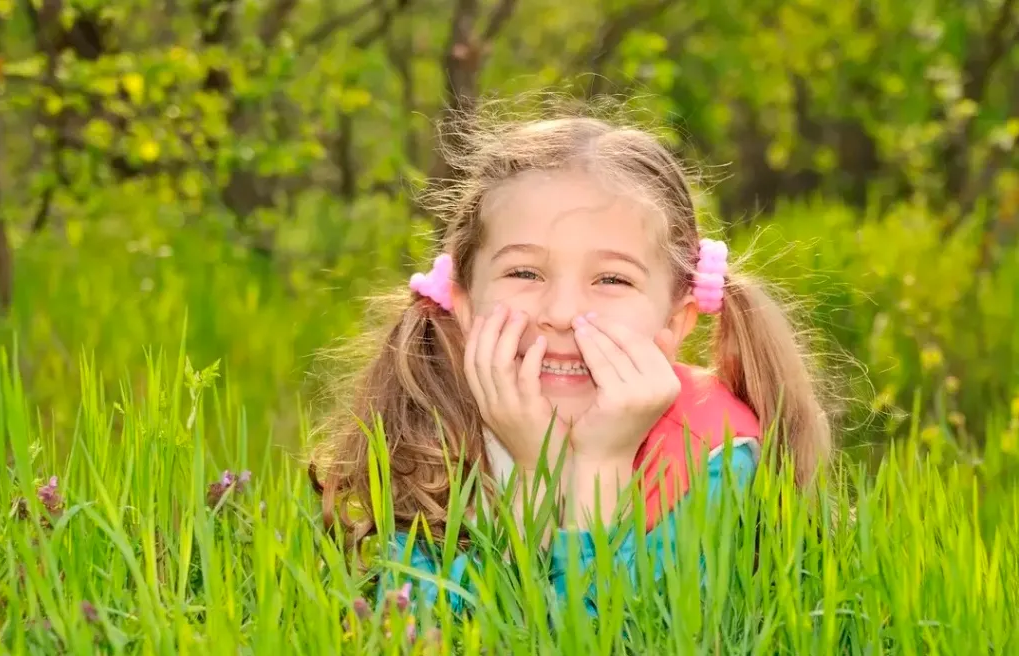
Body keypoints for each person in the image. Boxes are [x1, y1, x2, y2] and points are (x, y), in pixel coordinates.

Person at [309, 111, 833, 615]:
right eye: (524, 273)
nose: (560, 314)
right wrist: (535, 476)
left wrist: (600, 468)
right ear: (464, 306)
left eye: (611, 280)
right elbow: (440, 632)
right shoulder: (427, 441)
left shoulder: (712, 457)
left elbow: (632, 636)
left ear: (674, 322)